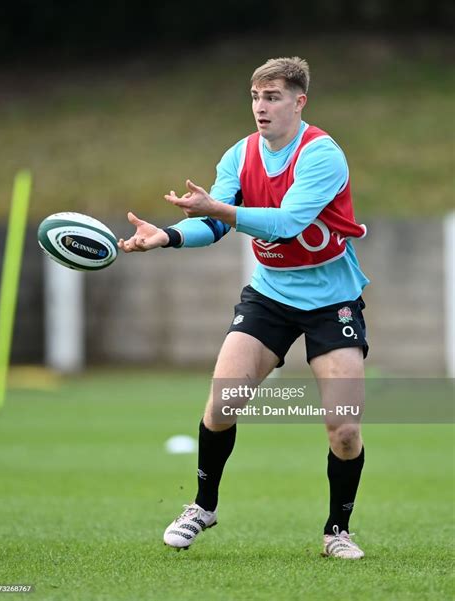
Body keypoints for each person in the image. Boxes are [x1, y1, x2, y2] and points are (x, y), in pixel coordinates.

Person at [119, 56, 369, 559]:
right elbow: (213, 225)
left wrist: (220, 210)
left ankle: (337, 531)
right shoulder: (240, 154)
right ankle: (202, 506)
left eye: (273, 97)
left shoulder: (322, 155)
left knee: (344, 428)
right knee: (222, 404)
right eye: (255, 97)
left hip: (331, 301)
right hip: (270, 295)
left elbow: (286, 224)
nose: (261, 107)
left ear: (300, 102)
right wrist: (166, 235)